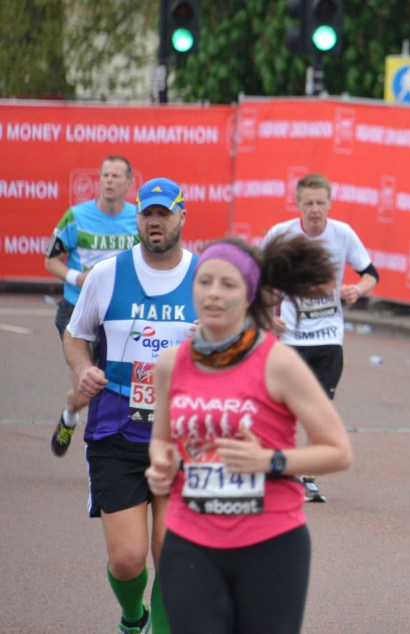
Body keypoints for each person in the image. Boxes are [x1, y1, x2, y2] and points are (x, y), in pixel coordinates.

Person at [145, 236, 352, 633]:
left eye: (228, 284)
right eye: (204, 282)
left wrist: (270, 460)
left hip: (269, 544)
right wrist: (160, 463)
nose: (213, 294)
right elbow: (161, 439)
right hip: (190, 541)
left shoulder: (278, 362)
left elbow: (339, 451)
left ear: (249, 296)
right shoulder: (171, 363)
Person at [64, 177, 197, 634]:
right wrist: (83, 367)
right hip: (116, 430)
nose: (155, 222)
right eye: (147, 214)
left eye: (164, 214)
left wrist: (216, 345)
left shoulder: (206, 278)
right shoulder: (107, 274)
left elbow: (240, 347)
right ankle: (132, 617)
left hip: (182, 436)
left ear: (182, 216)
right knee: (126, 559)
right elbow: (76, 335)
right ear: (137, 219)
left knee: (173, 558)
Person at [263, 173, 378, 502]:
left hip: (328, 337)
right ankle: (280, 470)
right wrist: (268, 317)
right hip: (290, 338)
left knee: (318, 409)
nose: (314, 209)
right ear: (297, 203)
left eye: (320, 203)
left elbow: (371, 274)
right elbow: (261, 279)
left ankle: (307, 478)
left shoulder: (343, 234)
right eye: (308, 203)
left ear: (329, 203)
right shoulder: (280, 234)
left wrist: (357, 290)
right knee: (284, 409)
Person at [46, 155, 139, 457]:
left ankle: (112, 453)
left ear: (129, 183)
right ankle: (69, 415)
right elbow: (51, 260)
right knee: (85, 393)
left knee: (120, 386)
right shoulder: (76, 217)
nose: (109, 181)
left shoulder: (138, 219)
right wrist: (78, 278)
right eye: (105, 175)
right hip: (77, 311)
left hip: (118, 314)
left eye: (116, 176)